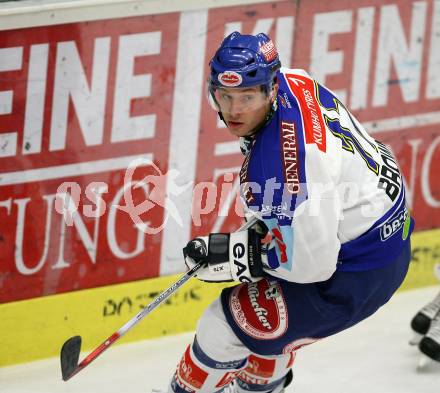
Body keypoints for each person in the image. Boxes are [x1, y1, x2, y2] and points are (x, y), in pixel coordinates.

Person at [163, 32, 414, 393]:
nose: (233, 110)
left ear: (269, 90)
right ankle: (261, 388)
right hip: (382, 231)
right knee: (261, 314)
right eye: (224, 96)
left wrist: (239, 256)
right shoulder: (295, 80)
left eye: (246, 98)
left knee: (222, 324)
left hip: (357, 274)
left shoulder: (282, 166)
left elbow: (313, 265)